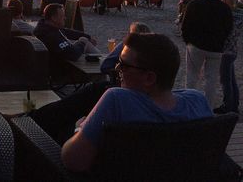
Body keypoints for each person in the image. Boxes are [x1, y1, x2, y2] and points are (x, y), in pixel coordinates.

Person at [61, 33, 213, 173]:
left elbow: (73, 161)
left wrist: (80, 128)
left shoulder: (117, 100)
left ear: (149, 78)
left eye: (124, 65)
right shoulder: (197, 101)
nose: (117, 68)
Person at [181, 0, 233, 108]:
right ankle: (208, 107)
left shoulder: (194, 4)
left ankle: (190, 105)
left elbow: (185, 25)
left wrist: (187, 41)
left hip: (196, 46)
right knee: (211, 79)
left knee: (192, 76)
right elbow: (229, 28)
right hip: (216, 48)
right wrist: (221, 42)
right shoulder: (225, 8)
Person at [33, 4, 100, 72]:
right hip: (62, 71)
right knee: (85, 43)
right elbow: (73, 54)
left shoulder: (45, 27)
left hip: (56, 64)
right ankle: (102, 72)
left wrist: (87, 36)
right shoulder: (52, 36)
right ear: (54, 18)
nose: (65, 18)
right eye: (62, 16)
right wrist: (82, 42)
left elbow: (67, 32)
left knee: (85, 41)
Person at [214, 0, 243, 114]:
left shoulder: (226, 15)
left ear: (226, 0)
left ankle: (228, 106)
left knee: (225, 80)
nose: (219, 0)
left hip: (225, 50)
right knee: (231, 79)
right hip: (233, 49)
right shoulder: (240, 14)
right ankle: (234, 105)